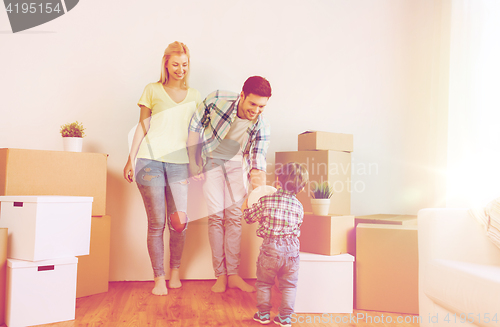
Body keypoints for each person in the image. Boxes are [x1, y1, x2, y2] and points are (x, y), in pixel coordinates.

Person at [123, 41, 202, 296]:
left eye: (185, 65)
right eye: (176, 64)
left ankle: (175, 271)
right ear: (166, 63)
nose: (181, 69)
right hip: (149, 161)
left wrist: (195, 163)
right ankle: (159, 278)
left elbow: (194, 134)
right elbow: (142, 127)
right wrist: (130, 158)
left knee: (179, 222)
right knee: (156, 223)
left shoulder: (195, 96)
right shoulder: (152, 90)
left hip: (179, 163)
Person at [187, 76, 272, 293]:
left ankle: (233, 275)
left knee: (234, 219)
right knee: (216, 218)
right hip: (212, 163)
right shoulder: (217, 99)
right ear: (242, 95)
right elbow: (195, 125)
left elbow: (257, 161)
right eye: (252, 103)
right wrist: (194, 161)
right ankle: (220, 276)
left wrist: (258, 195)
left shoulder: (261, 125)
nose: (256, 110)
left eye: (262, 106)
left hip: (237, 167)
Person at [242, 162, 309, 327]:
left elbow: (249, 218)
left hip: (271, 249)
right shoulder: (299, 207)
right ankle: (285, 318)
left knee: (264, 283)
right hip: (292, 250)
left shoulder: (266, 200)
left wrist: (246, 206)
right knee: (289, 285)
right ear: (301, 188)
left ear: (277, 181)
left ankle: (263, 314)